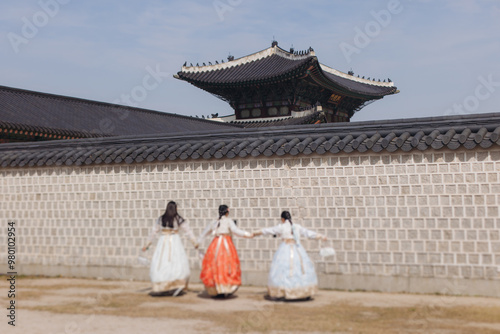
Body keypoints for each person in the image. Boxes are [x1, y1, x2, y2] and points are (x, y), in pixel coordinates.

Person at [253, 211, 326, 300]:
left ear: (282, 219)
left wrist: (256, 232)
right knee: (299, 268)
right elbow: (308, 233)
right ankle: (301, 290)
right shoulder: (296, 227)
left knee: (283, 269)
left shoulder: (282, 227)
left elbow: (269, 230)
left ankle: (283, 291)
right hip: (297, 249)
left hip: (285, 248)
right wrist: (320, 236)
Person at [142, 201, 198, 296]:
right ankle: (174, 284)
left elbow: (153, 232)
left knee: (162, 262)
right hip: (174, 241)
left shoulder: (161, 219)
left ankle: (164, 284)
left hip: (163, 242)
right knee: (175, 262)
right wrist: (194, 242)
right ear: (175, 209)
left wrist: (147, 244)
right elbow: (187, 231)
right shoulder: (178, 219)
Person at [198, 204, 253, 297]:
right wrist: (248, 234)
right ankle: (225, 288)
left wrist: (197, 242)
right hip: (226, 244)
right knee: (227, 265)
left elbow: (205, 232)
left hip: (215, 245)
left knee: (215, 265)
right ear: (227, 212)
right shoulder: (228, 221)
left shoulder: (214, 222)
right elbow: (236, 231)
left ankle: (216, 288)